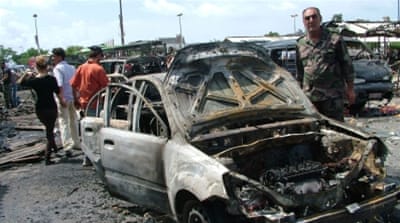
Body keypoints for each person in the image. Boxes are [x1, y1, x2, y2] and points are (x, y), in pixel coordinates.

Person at [296, 6, 355, 122]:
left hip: (332, 96)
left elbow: (347, 65)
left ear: (320, 19)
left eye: (314, 17)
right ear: (304, 22)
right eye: (307, 18)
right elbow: (300, 71)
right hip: (310, 97)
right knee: (313, 129)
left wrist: (350, 89)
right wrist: (299, 94)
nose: (311, 20)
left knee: (337, 129)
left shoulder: (334, 40)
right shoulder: (300, 44)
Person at [17, 55, 61, 165]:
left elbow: (20, 83)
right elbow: (58, 92)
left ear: (36, 67)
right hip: (51, 107)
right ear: (47, 66)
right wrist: (63, 102)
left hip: (40, 108)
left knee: (49, 129)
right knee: (50, 131)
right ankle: (47, 157)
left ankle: (54, 149)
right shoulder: (52, 79)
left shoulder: (34, 81)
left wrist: (26, 73)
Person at [70, 45, 109, 166]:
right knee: (98, 132)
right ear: (98, 56)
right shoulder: (98, 69)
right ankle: (95, 159)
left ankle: (86, 158)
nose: (101, 58)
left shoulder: (81, 68)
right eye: (101, 56)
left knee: (87, 132)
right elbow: (107, 87)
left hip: (84, 105)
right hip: (96, 105)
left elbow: (73, 85)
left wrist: (76, 100)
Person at [52, 47, 80, 157]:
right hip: (72, 97)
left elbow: (59, 85)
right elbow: (74, 84)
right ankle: (76, 142)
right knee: (73, 121)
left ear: (59, 57)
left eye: (54, 56)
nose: (53, 58)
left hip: (64, 98)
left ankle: (68, 146)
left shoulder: (57, 69)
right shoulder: (71, 67)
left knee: (64, 122)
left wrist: (61, 98)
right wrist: (76, 97)